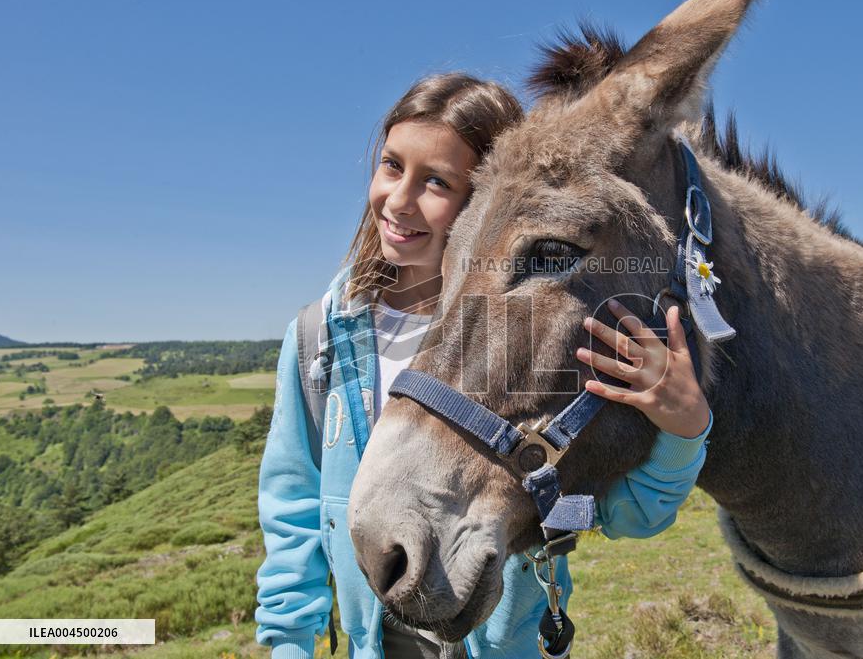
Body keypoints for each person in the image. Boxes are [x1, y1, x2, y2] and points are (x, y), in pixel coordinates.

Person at [254, 72, 714, 659]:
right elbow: (293, 509)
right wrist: (289, 645)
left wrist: (684, 430)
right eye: (392, 166)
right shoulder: (321, 334)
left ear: (486, 200)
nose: (398, 200)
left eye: (437, 182)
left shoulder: (530, 338)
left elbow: (632, 515)